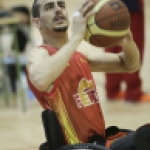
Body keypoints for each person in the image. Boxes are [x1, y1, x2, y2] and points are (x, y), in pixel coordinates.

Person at [26, 0, 149, 150]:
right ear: (36, 22)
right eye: (49, 7)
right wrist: (76, 37)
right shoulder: (39, 54)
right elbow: (40, 79)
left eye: (61, 5)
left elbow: (130, 65)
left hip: (101, 142)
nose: (58, 9)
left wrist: (127, 40)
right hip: (80, 147)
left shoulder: (79, 57)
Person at [105, 0, 149, 102]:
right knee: (133, 41)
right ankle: (133, 91)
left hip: (107, 5)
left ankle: (112, 90)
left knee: (112, 41)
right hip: (130, 6)